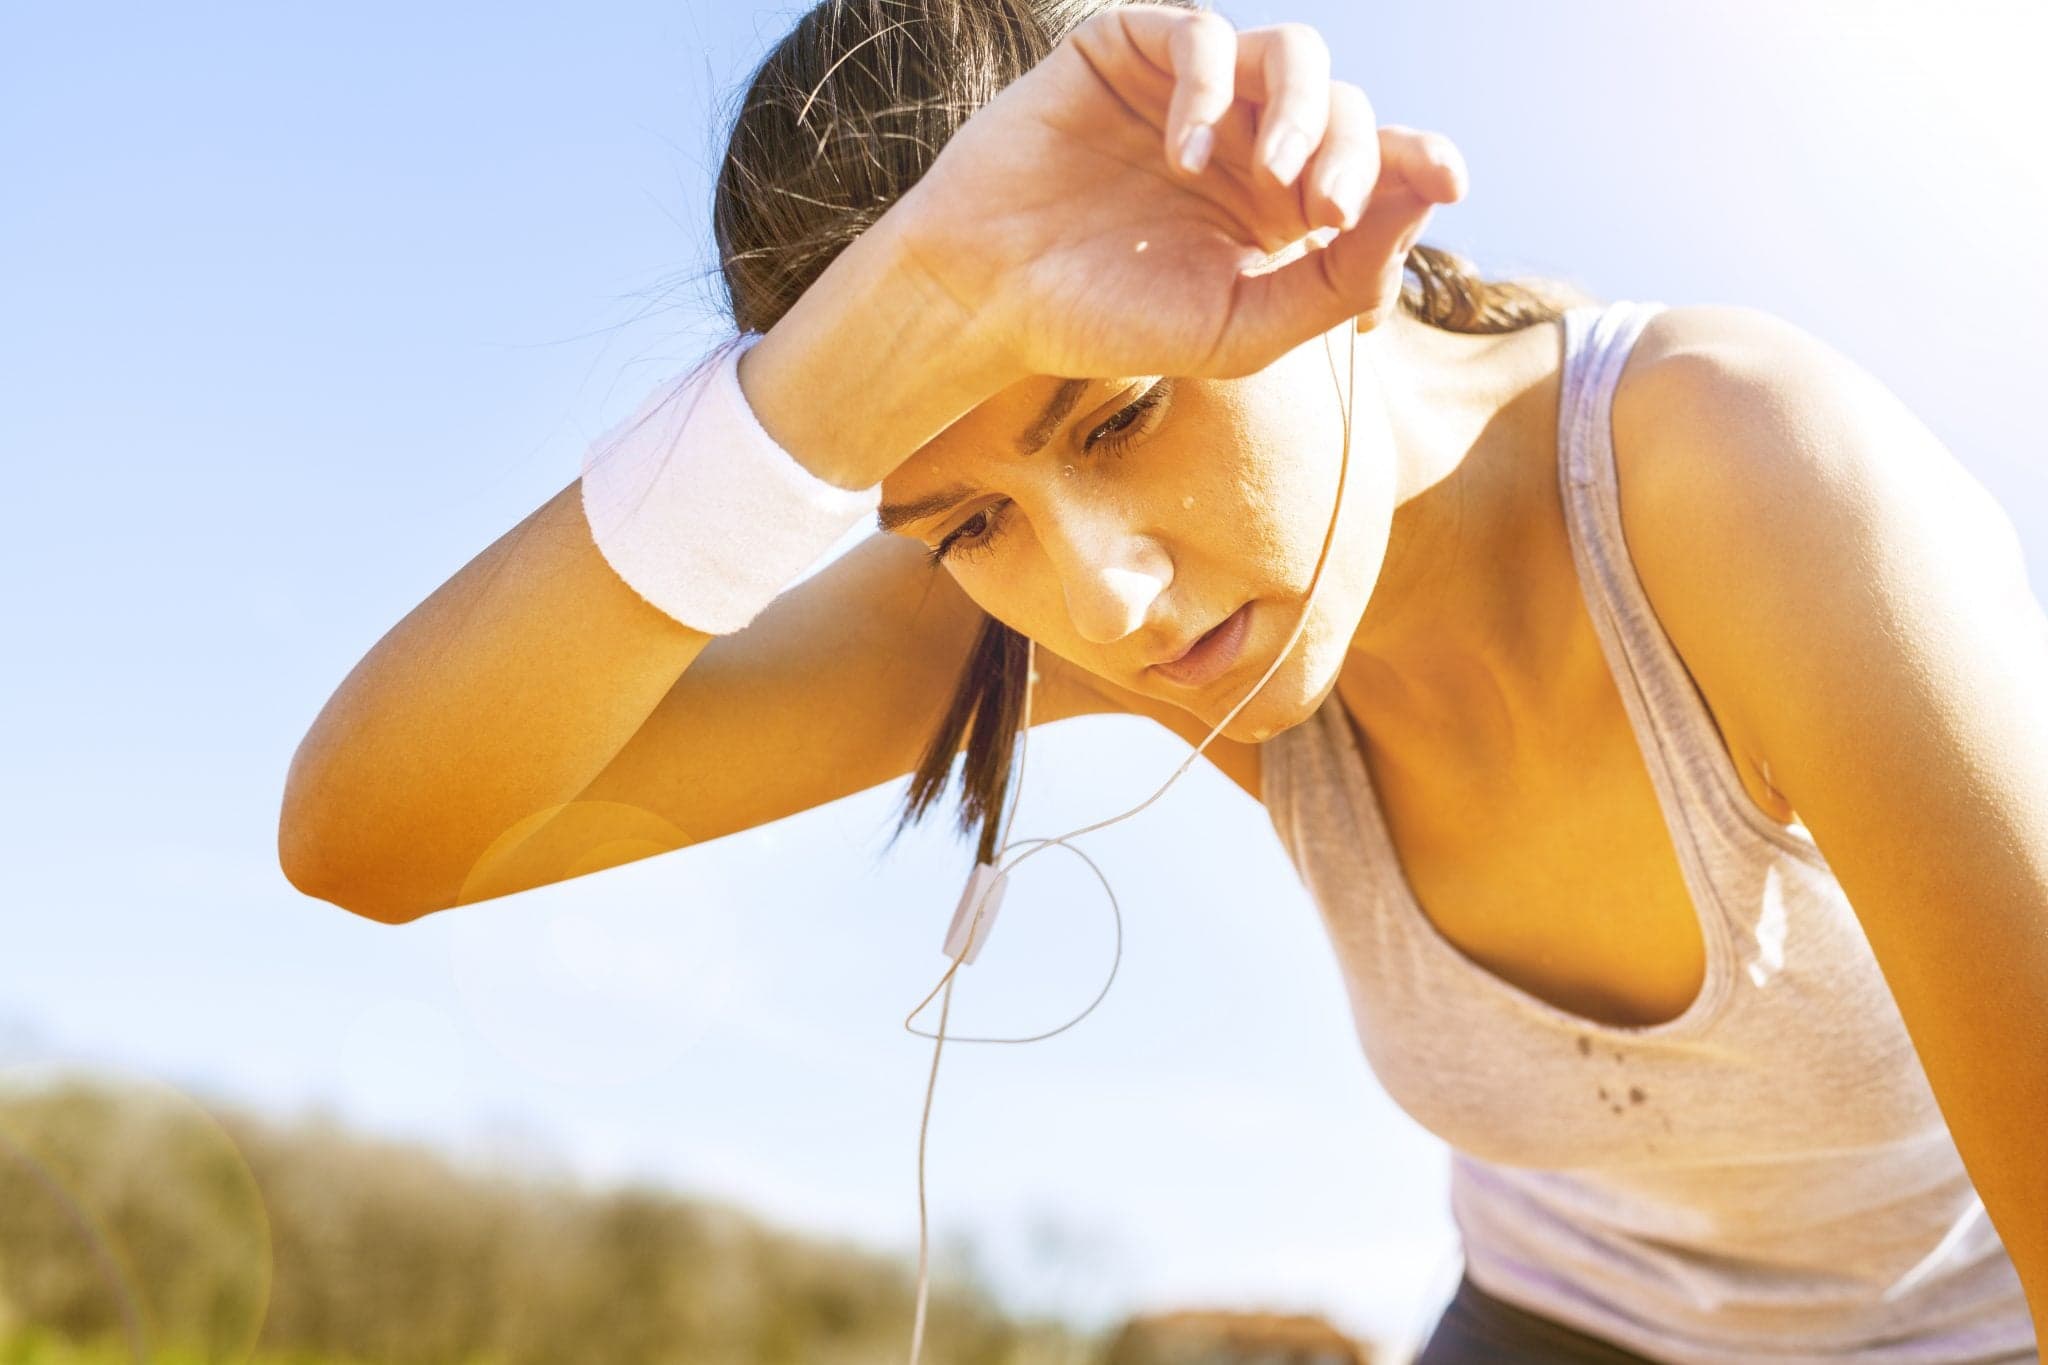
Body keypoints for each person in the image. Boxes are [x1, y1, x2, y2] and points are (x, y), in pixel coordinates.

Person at [276, 0, 2048, 1359]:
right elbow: (376, 834)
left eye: (1120, 413)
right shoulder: (1054, 605)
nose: (1103, 595)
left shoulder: (1745, 476)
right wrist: (815, 399)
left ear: (1299, 228)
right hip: (1557, 1318)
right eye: (965, 518)